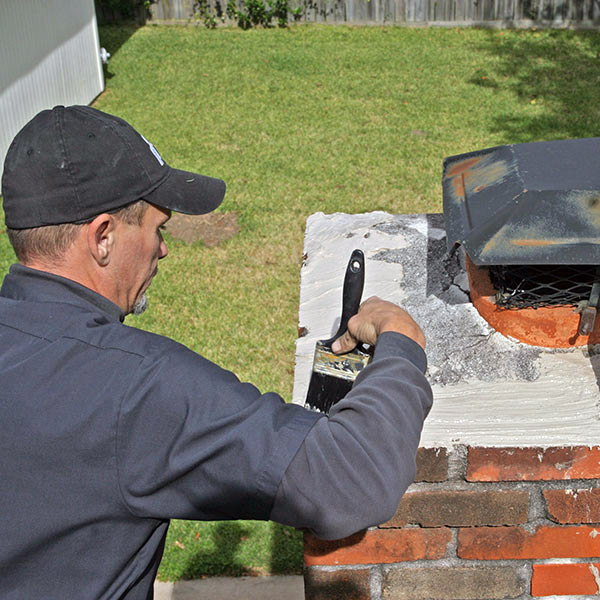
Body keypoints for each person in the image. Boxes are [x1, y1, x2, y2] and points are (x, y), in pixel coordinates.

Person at [0, 105, 433, 599]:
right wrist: (401, 345)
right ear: (103, 238)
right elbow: (353, 478)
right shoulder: (134, 388)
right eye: (157, 228)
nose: (162, 249)